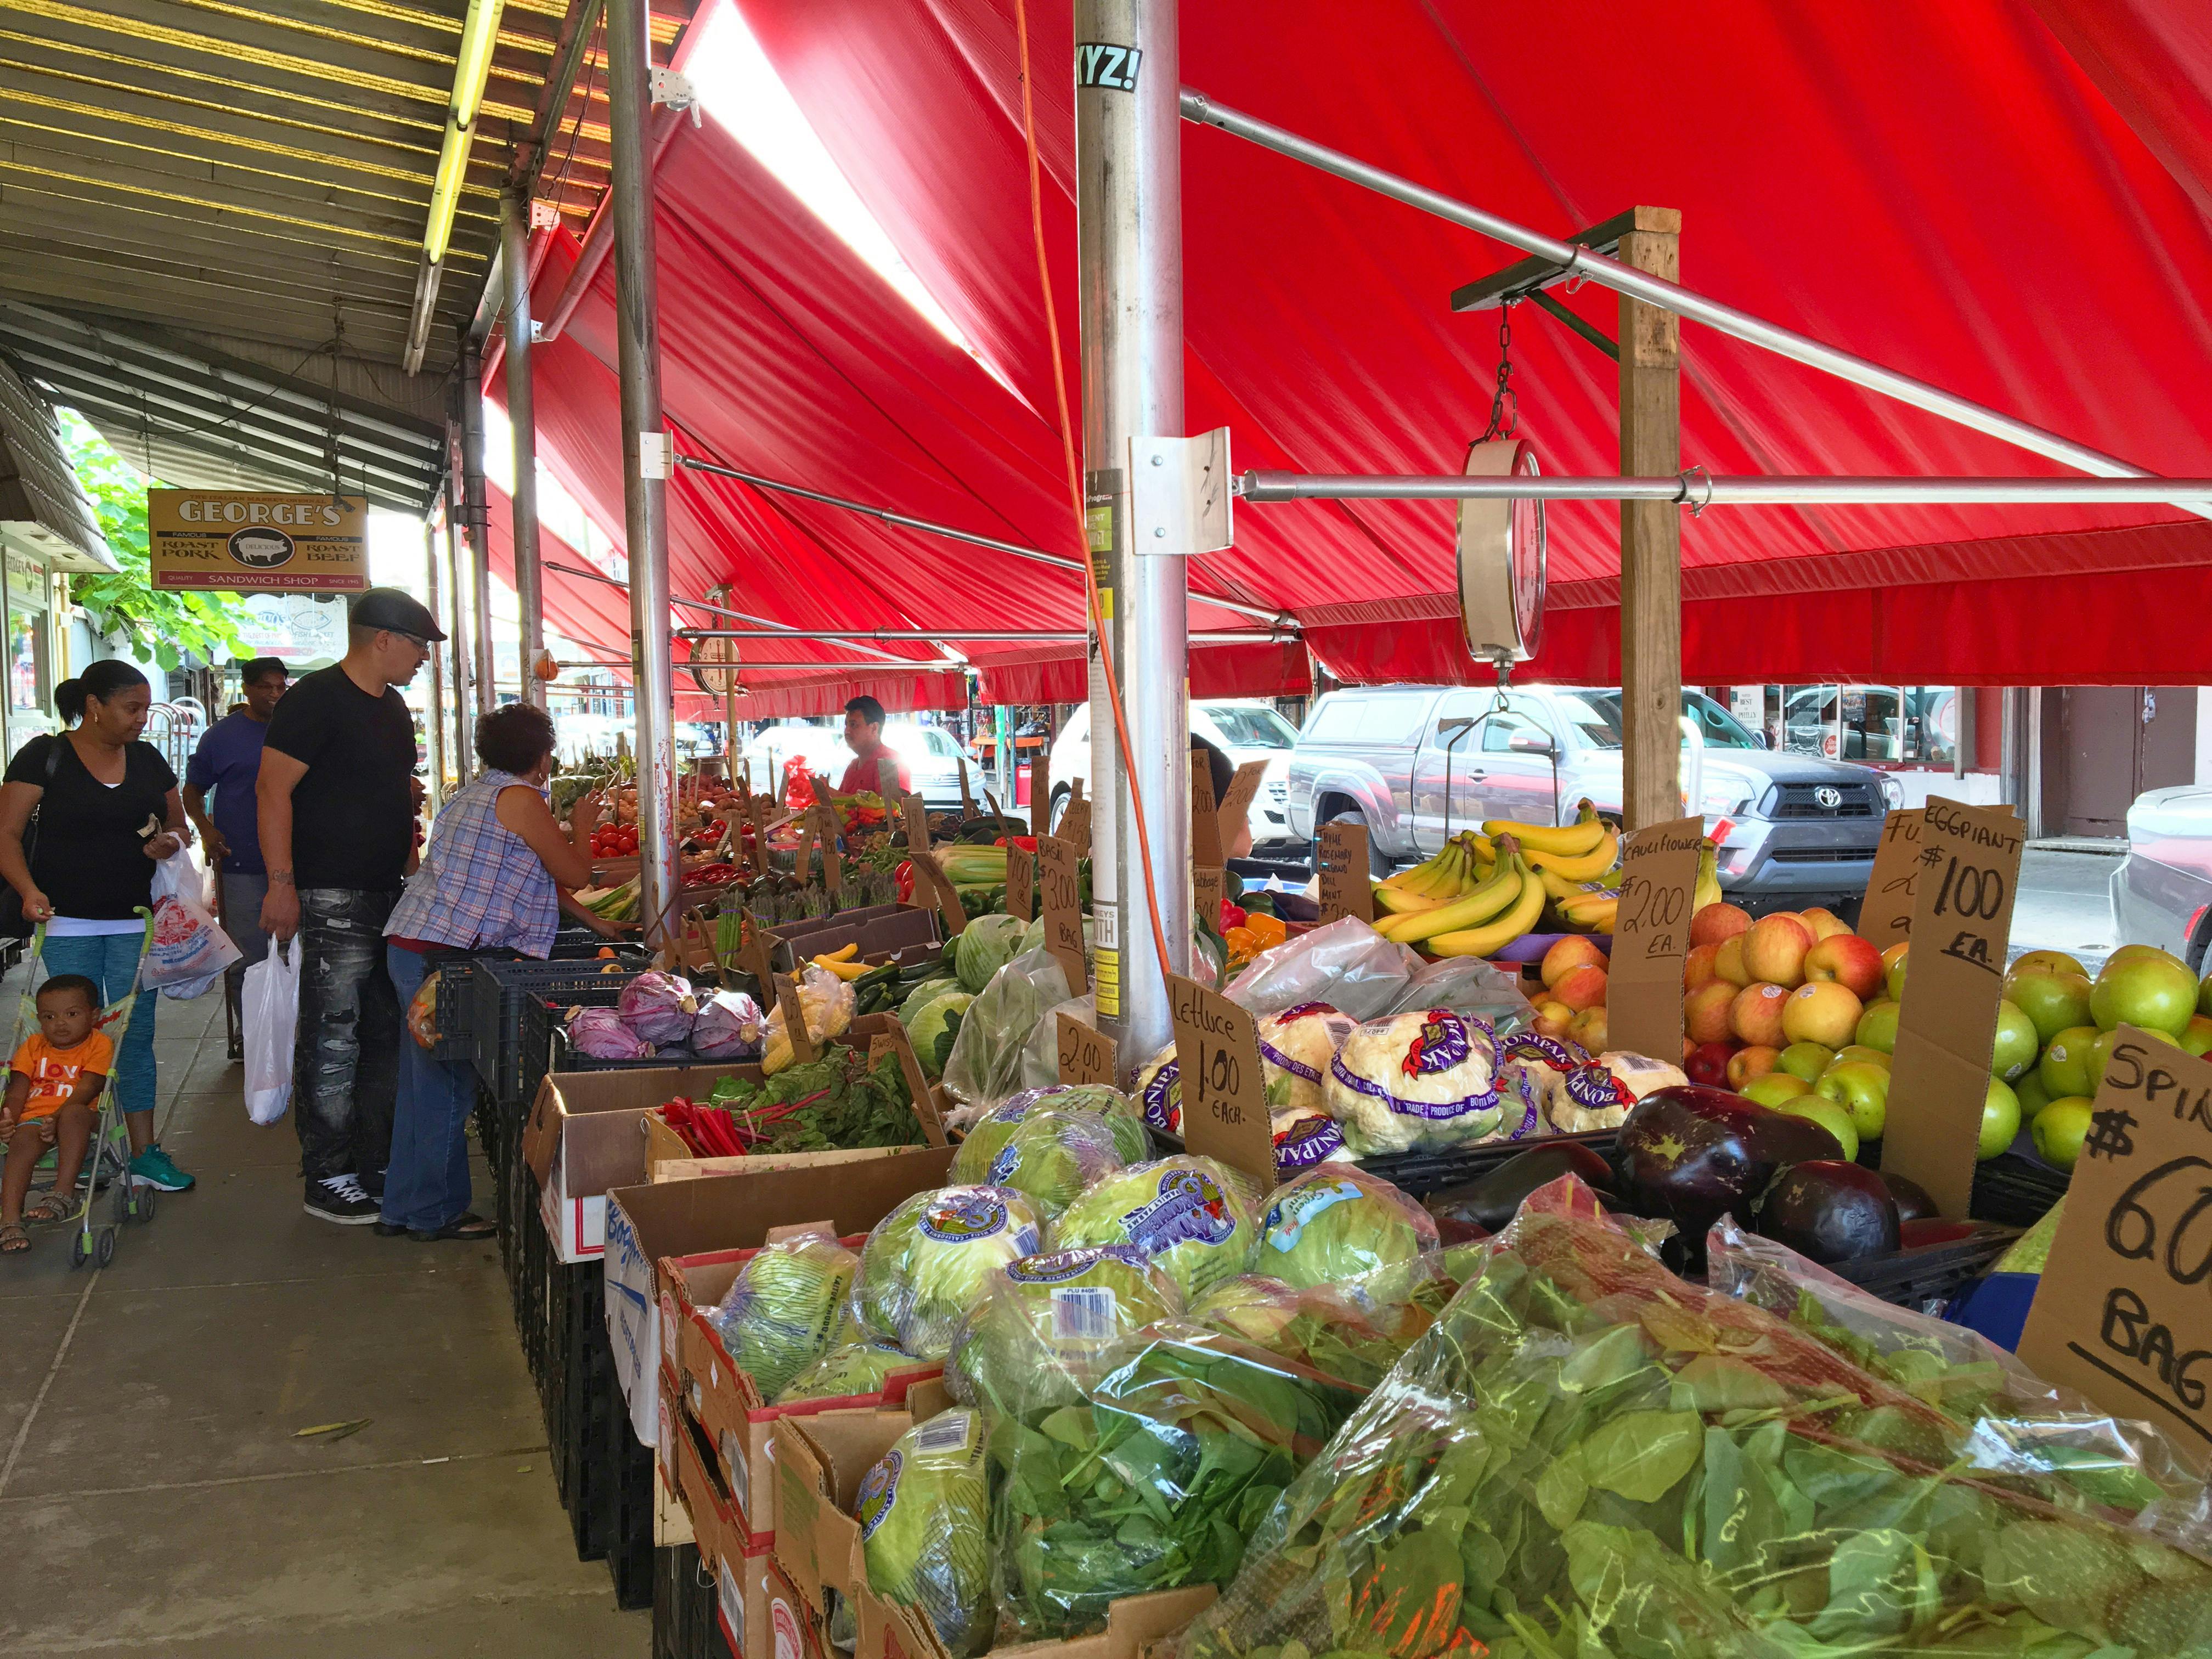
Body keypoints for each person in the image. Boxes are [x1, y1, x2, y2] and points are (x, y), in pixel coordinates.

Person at [377, 703, 600, 1241]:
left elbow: (531, 877)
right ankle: (435, 1214)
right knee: (446, 1086)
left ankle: (403, 1210)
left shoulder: (476, 793)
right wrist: (587, 828)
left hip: (416, 945)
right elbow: (574, 869)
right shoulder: (521, 800)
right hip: (443, 958)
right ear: (543, 757)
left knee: (421, 1086)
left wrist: (596, 922)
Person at [258, 589, 441, 1225]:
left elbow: (392, 790)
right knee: (334, 1034)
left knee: (386, 1031)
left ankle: (373, 1160)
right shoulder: (313, 700)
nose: (424, 659)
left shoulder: (393, 709)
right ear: (383, 639)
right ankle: (328, 1173)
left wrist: (413, 868)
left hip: (388, 888)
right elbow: (271, 791)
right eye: (420, 646)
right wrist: (282, 884)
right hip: (330, 891)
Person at [0, 661, 194, 1193]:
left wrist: (170, 843)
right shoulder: (46, 756)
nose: (141, 719)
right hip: (65, 924)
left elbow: (181, 825)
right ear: (94, 706)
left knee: (133, 1036)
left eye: (144, 709)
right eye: (132, 709)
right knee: (70, 1039)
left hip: (137, 923)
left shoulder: (149, 760)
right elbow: (7, 834)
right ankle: (72, 1147)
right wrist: (28, 890)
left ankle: (145, 1152)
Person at [183, 656, 288, 1052]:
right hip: (241, 860)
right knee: (248, 956)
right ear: (247, 688)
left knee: (297, 954)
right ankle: (252, 1033)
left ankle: (290, 1030)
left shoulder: (297, 730)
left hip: (297, 863)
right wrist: (207, 830)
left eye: (281, 686)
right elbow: (192, 790)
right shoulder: (221, 736)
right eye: (267, 687)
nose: (275, 694)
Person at [0, 975, 111, 1254]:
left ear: (94, 1015)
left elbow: (89, 1088)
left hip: (80, 1117)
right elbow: (17, 1091)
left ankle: (63, 1193)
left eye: (71, 1014)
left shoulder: (99, 1044)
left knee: (74, 1113)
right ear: (40, 1020)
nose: (60, 1023)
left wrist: (58, 1117)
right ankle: (10, 1218)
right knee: (20, 1142)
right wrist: (8, 1119)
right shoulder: (34, 1046)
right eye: (50, 1017)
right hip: (36, 1120)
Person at [838, 696, 911, 796]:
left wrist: (830, 793)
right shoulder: (853, 765)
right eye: (846, 725)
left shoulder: (890, 762)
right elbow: (839, 806)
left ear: (874, 728)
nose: (847, 731)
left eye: (853, 725)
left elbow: (890, 808)